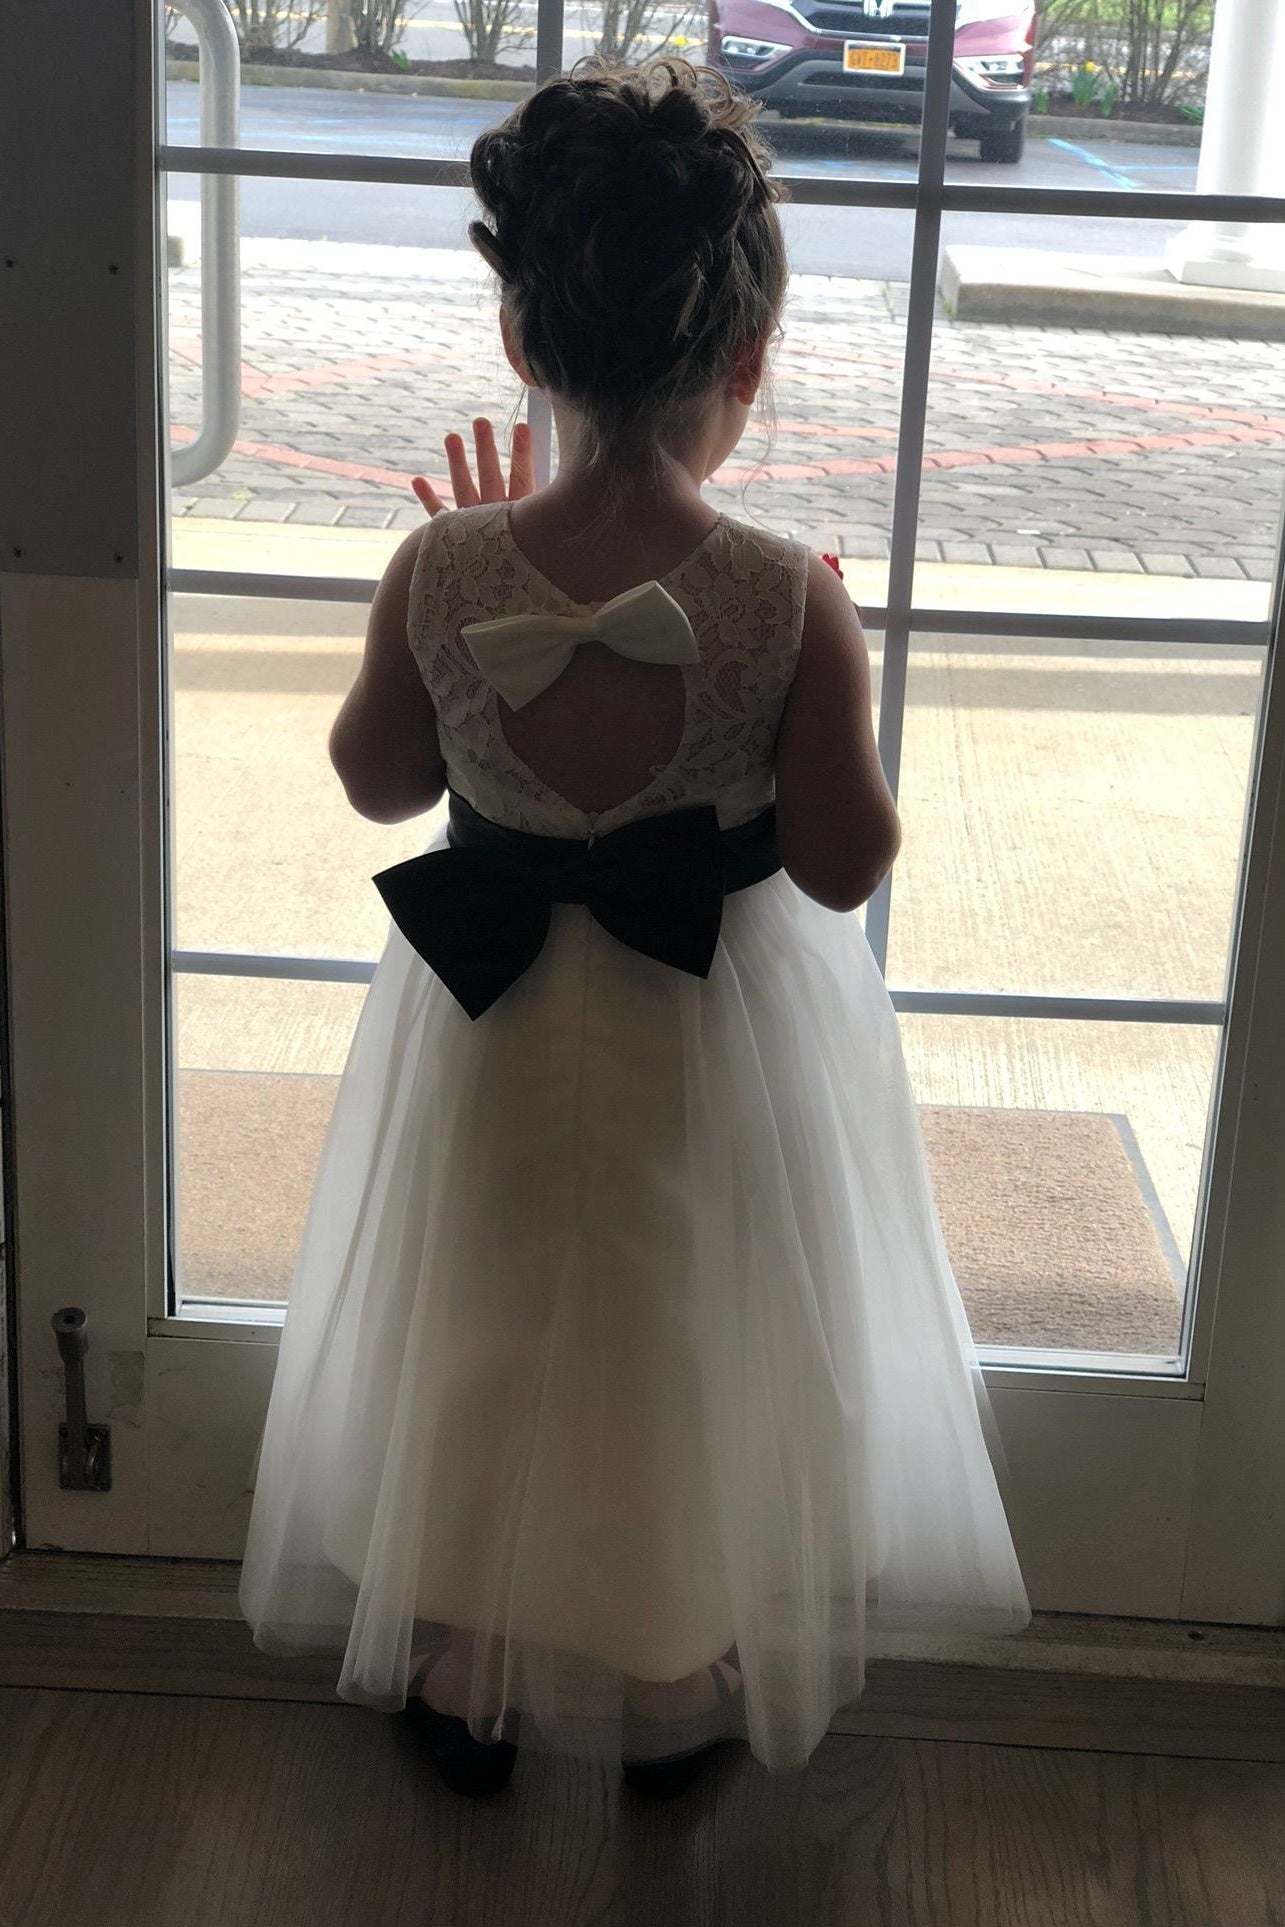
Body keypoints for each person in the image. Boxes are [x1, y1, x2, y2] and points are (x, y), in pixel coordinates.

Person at [236, 56, 1031, 1803]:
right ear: (747, 363)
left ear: (519, 338)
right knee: (688, 1332)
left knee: (487, 1311)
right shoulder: (783, 596)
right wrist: (834, 667)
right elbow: (843, 865)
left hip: (491, 1024)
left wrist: (439, 606)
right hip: (709, 1033)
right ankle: (671, 1685)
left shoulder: (443, 571)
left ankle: (470, 1665)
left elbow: (377, 783)